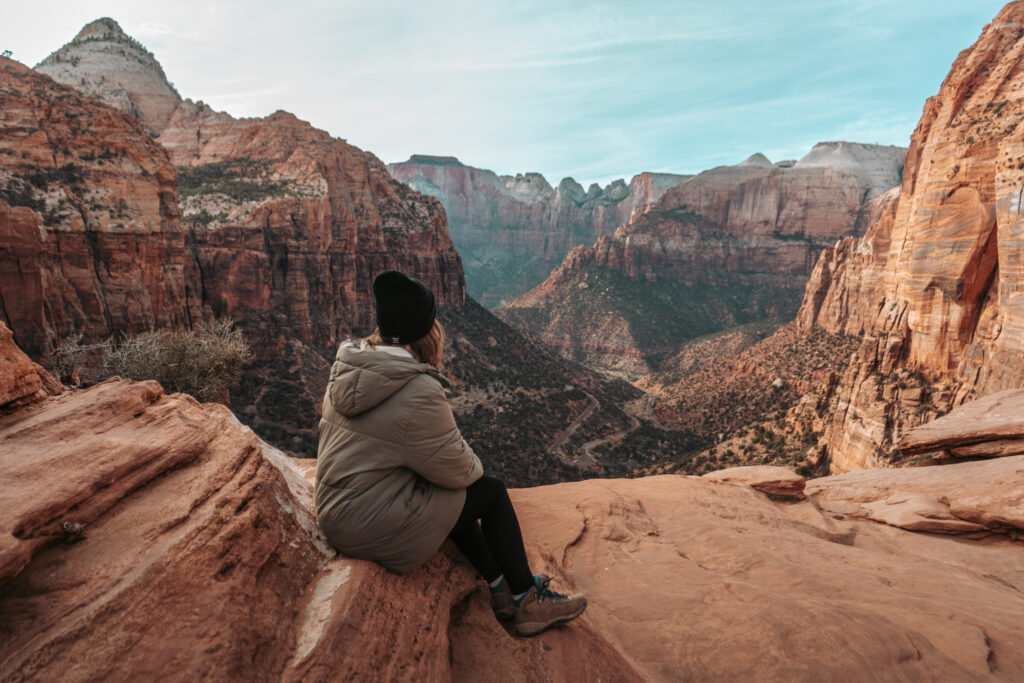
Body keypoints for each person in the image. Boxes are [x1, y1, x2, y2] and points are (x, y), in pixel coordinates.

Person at [315, 270, 587, 637]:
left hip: (335, 509)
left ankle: (498, 585)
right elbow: (462, 473)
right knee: (489, 492)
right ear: (425, 331)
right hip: (365, 525)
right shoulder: (417, 390)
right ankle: (525, 600)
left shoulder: (348, 366)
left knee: (444, 494)